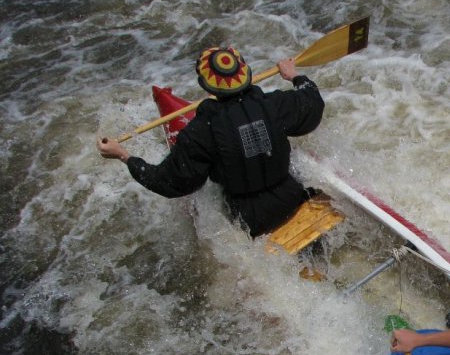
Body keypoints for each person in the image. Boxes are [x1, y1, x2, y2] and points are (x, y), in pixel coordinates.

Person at [97, 47, 325, 237]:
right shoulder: (275, 104)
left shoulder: (199, 132)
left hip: (250, 221)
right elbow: (312, 102)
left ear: (206, 85)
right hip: (292, 196)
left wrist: (123, 155)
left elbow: (168, 182)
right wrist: (294, 75)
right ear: (245, 73)